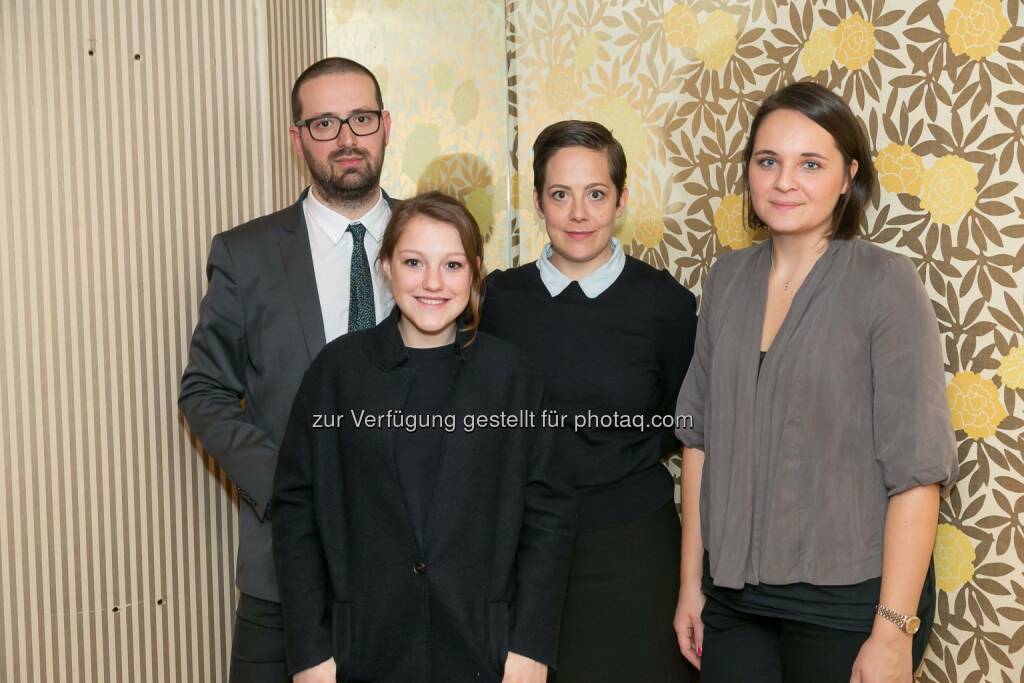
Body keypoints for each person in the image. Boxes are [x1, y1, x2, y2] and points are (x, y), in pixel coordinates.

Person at [673, 81, 958, 683]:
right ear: (749, 171)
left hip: (850, 605)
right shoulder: (726, 281)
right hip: (733, 600)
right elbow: (699, 441)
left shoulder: (886, 283)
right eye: (767, 161)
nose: (784, 181)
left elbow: (918, 470)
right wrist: (690, 587)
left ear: (847, 175)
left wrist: (891, 631)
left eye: (810, 163)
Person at [272, 192, 576, 683]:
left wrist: (530, 647)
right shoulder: (338, 373)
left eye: (452, 265)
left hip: (488, 654)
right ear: (387, 266)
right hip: (362, 653)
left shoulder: (511, 376)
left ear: (475, 272)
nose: (433, 282)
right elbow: (296, 512)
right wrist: (310, 654)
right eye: (414, 262)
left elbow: (549, 516)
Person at [178, 57, 399, 682]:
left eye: (359, 118)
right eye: (323, 123)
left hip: (418, 571)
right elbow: (204, 391)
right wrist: (293, 488)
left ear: (385, 125)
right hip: (285, 572)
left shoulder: (437, 241)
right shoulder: (244, 254)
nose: (346, 138)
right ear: (296, 137)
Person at [480, 120, 698, 682]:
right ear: (538, 202)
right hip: (523, 545)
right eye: (561, 194)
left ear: (621, 200)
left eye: (595, 194)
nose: (578, 213)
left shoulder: (666, 306)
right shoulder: (500, 301)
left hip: (634, 547)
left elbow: (686, 426)